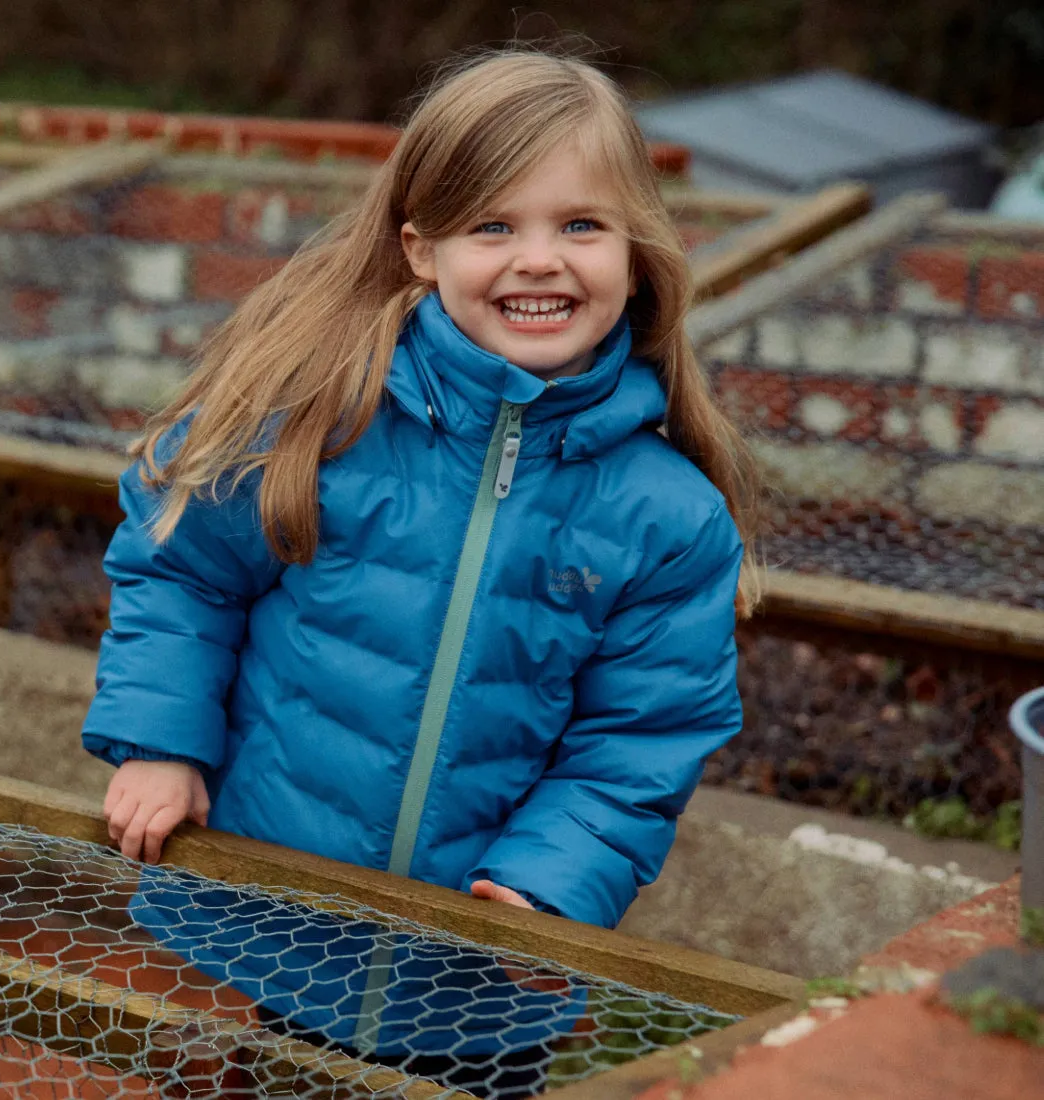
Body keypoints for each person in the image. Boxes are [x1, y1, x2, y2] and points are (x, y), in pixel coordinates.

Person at [82, 47, 760, 1099]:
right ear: (418, 247)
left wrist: (550, 883)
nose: (539, 259)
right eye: (494, 225)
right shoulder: (323, 414)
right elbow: (184, 567)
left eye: (580, 224)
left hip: (480, 972)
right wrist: (163, 740)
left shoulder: (667, 515)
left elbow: (640, 732)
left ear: (636, 251)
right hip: (275, 907)